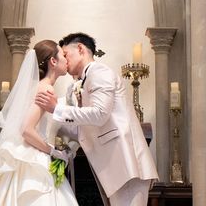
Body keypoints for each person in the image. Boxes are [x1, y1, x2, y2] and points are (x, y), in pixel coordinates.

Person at [36, 32, 158, 206]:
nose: (65, 60)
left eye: (66, 54)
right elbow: (85, 128)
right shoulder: (85, 79)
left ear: (80, 49)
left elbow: (99, 114)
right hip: (115, 169)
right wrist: (51, 126)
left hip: (127, 165)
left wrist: (57, 109)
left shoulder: (99, 72)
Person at [0, 40, 79, 206]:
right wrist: (53, 151)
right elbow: (26, 130)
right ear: (53, 61)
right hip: (35, 160)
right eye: (63, 55)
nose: (67, 59)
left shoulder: (39, 87)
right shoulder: (46, 89)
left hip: (31, 154)